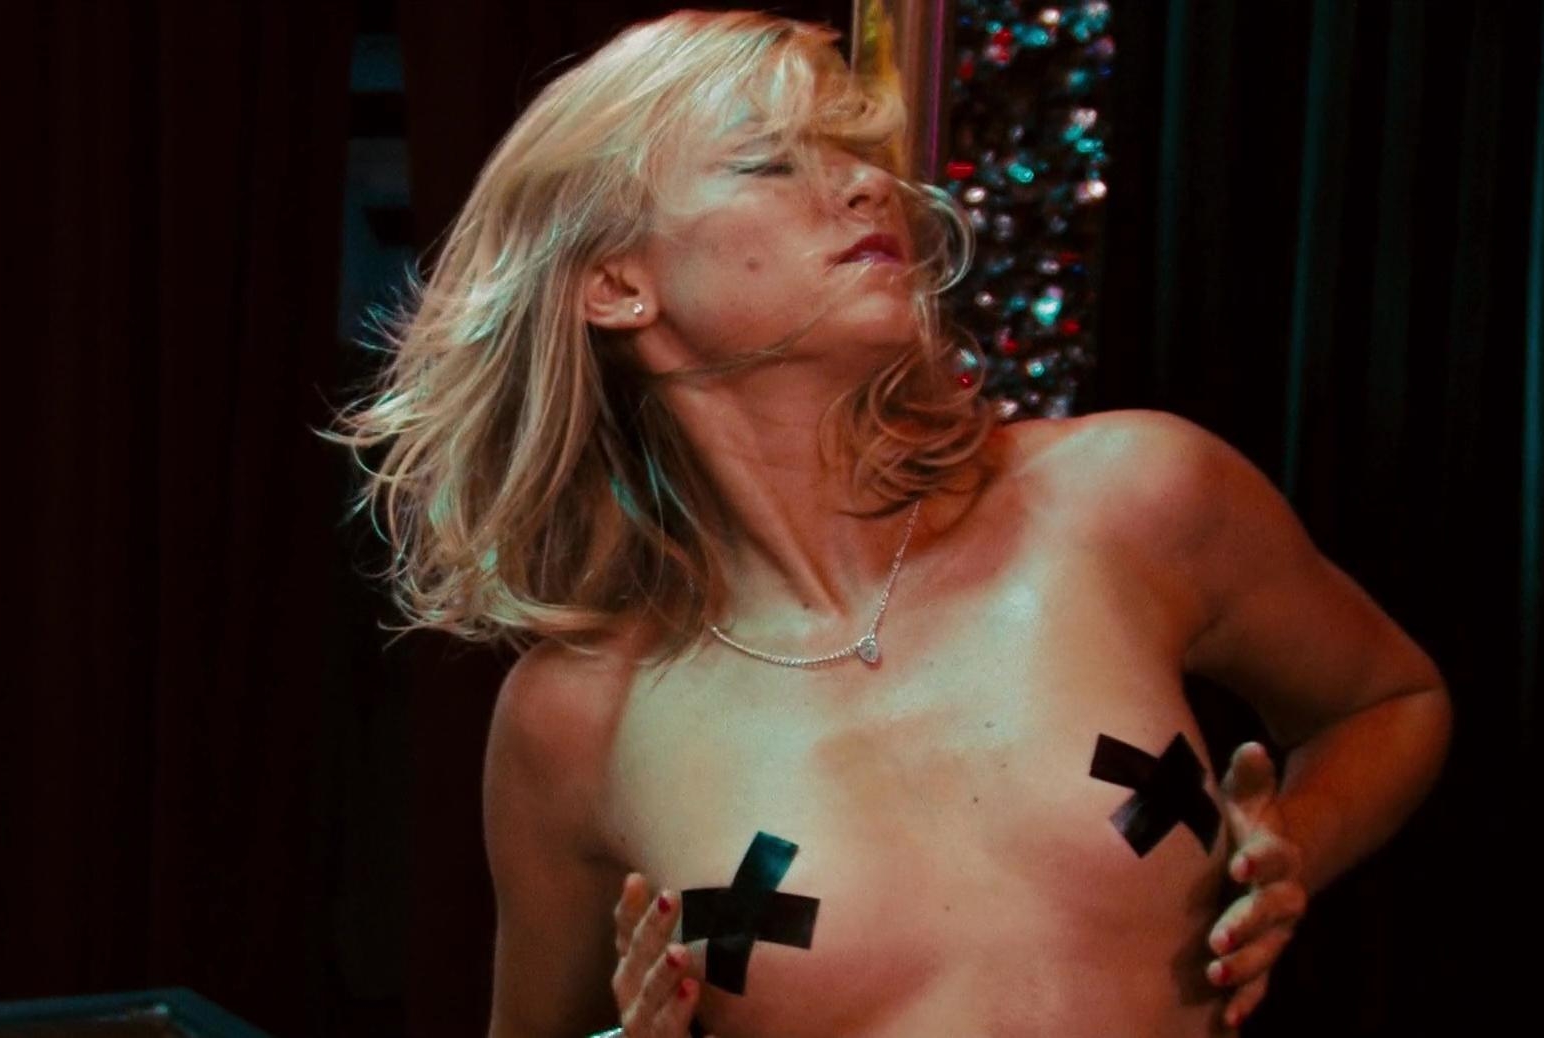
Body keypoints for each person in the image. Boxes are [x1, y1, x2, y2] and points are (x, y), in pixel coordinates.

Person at [323, 9, 1452, 1037]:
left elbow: (1393, 702)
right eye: (773, 162)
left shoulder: (1127, 498)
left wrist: (1292, 845)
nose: (867, 187)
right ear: (617, 285)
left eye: (857, 153)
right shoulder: (579, 718)